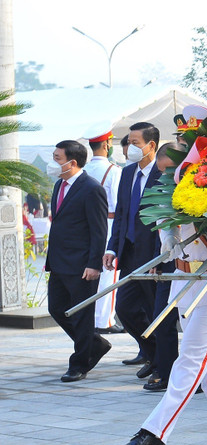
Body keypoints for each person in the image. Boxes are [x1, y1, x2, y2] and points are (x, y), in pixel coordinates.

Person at [113, 219, 207, 445]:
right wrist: (168, 235)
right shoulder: (176, 181)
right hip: (186, 280)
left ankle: (154, 432)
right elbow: (166, 211)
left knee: (190, 361)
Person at [46, 140, 109, 382]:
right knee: (57, 309)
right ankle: (95, 344)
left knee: (82, 315)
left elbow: (99, 230)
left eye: (57, 158)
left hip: (82, 264)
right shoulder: (59, 185)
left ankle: (79, 364)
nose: (54, 163)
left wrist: (94, 263)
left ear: (72, 162)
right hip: (59, 262)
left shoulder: (91, 188)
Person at [104, 122, 162, 379]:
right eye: (128, 142)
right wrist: (112, 248)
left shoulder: (164, 173)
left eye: (135, 143)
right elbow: (121, 214)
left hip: (153, 254)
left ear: (151, 145)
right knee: (125, 309)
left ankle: (163, 363)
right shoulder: (126, 173)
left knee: (153, 310)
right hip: (128, 252)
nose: (129, 148)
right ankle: (152, 354)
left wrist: (162, 255)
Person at [142, 142, 183, 391]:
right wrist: (158, 259)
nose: (167, 176)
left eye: (171, 170)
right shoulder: (162, 189)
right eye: (162, 171)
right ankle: (167, 373)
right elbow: (156, 224)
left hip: (197, 263)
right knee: (162, 319)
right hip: (169, 263)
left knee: (193, 326)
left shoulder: (201, 185)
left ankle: (196, 378)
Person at [82, 122, 122, 334]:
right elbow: (117, 203)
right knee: (108, 273)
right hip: (108, 221)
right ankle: (104, 320)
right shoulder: (113, 171)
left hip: (86, 225)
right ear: (107, 145)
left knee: (89, 271)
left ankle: (91, 318)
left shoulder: (83, 170)